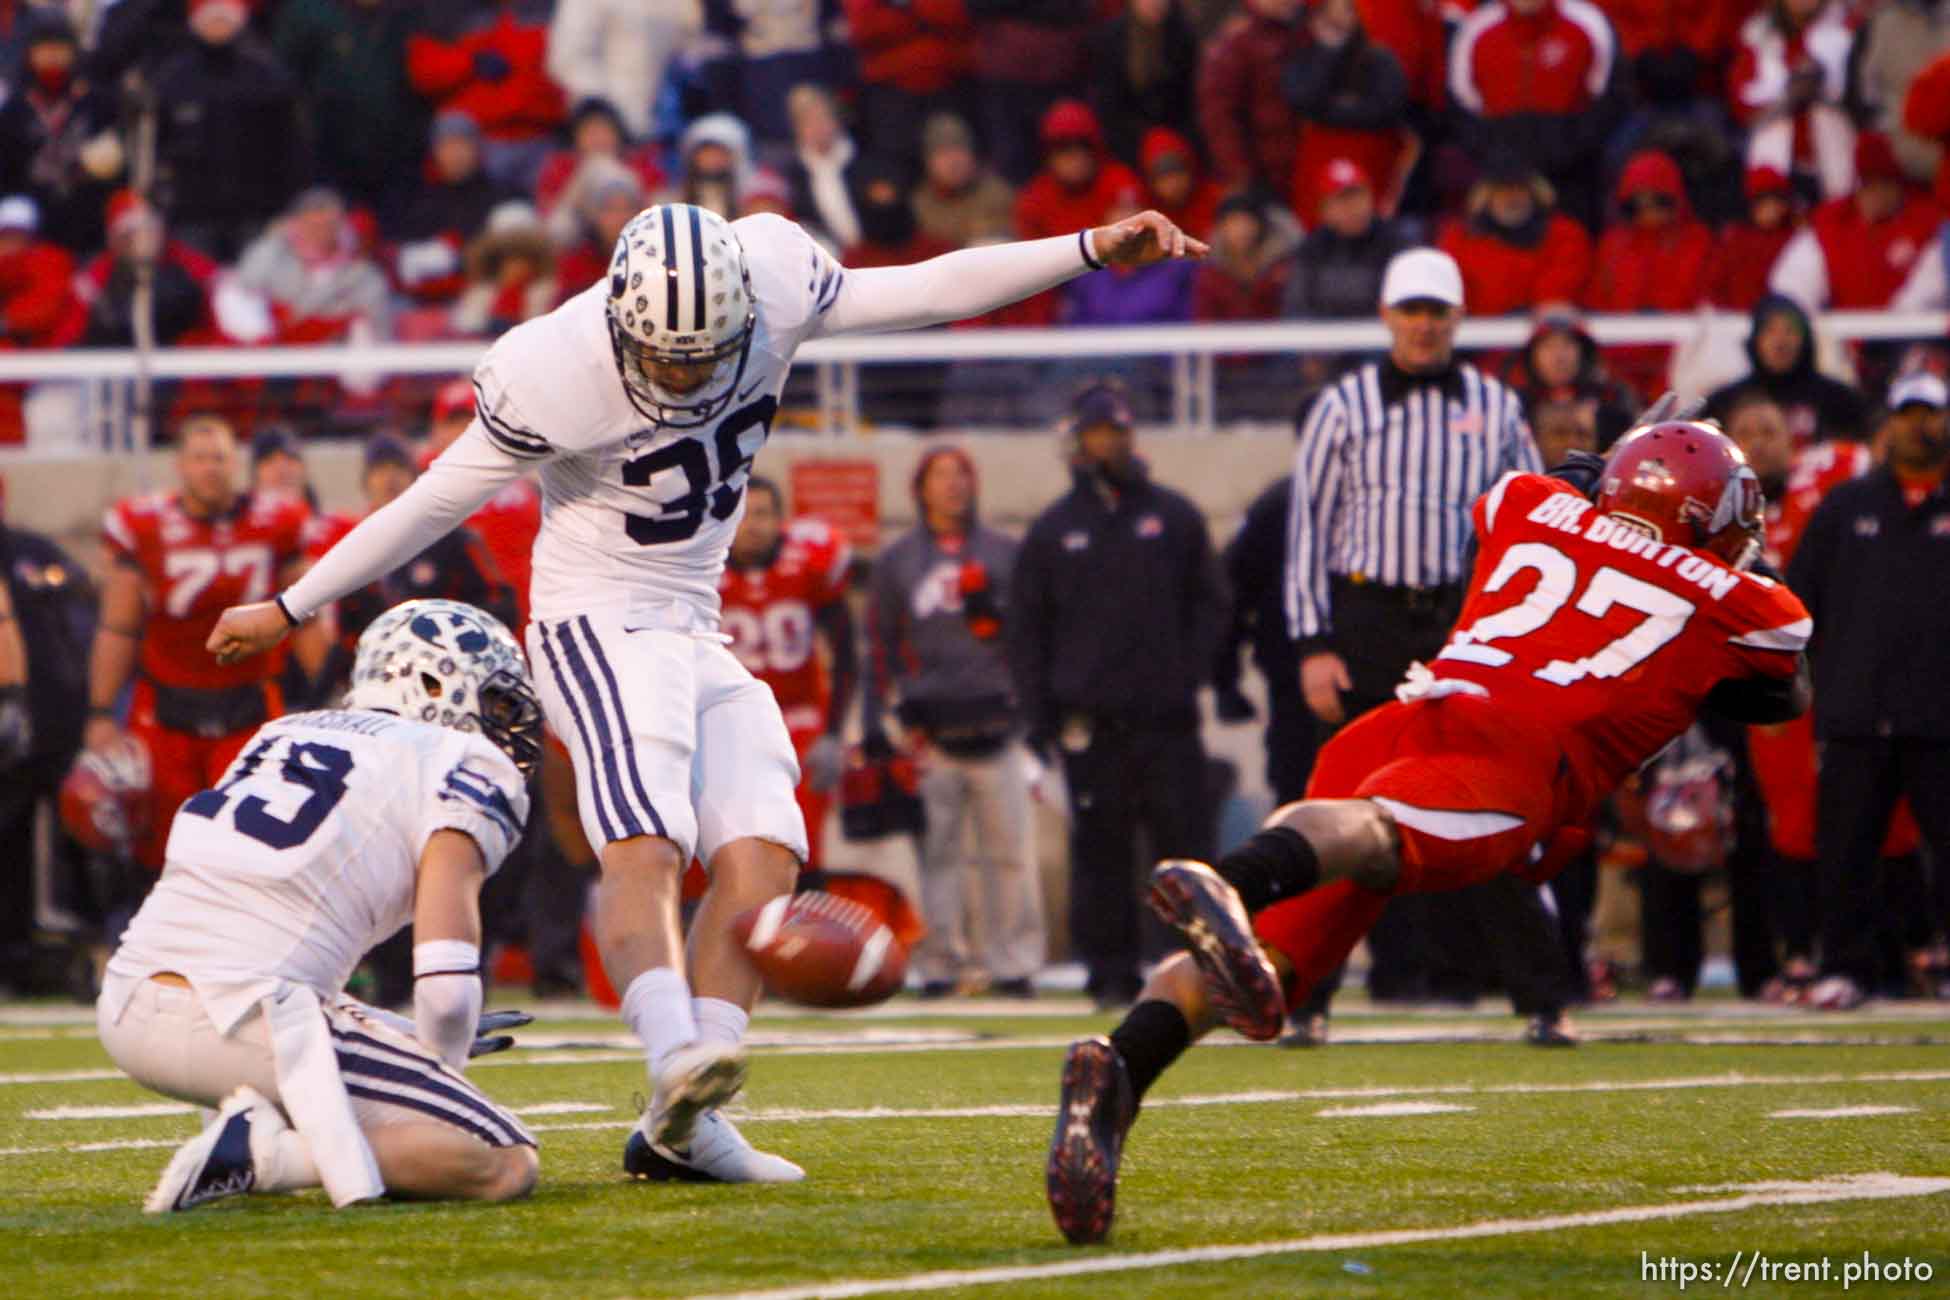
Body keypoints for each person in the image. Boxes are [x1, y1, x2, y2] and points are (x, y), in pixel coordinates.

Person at [207, 200, 1207, 1183]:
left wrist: (1082, 250)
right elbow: (432, 498)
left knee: (765, 840)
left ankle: (682, 1123)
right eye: (666, 356)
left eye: (703, 353)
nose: (684, 373)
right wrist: (293, 605)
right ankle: (671, 1048)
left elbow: (928, 289)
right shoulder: (556, 366)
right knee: (647, 834)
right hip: (594, 617)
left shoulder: (773, 276)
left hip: (693, 618)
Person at [1046, 417, 1813, 1244]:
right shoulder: (1736, 598)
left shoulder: (1529, 502)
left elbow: (1539, 495)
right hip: (1517, 753)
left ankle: (1120, 1067)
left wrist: (1586, 490)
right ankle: (1230, 881)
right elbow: (1784, 690)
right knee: (1380, 842)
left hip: (1412, 710)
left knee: (1270, 972)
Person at [99, 598, 543, 1214]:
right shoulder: (463, 760)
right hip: (253, 1021)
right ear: (435, 682)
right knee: (502, 1160)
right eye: (492, 700)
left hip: (127, 1006)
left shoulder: (280, 732)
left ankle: (250, 1134)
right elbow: (444, 979)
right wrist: (437, 1058)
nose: (502, 723)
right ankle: (273, 1159)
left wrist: (391, 1033)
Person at [1282, 246, 1570, 1040]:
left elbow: (1525, 526)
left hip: (1456, 623)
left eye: (1436, 312)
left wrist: (1512, 639)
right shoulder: (1342, 407)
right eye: (1410, 310)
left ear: (1457, 320)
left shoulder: (1496, 405)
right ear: (1386, 316)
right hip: (1367, 619)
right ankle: (1304, 998)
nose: (1422, 326)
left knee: (1485, 802)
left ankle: (1542, 998)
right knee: (1342, 810)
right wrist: (1313, 643)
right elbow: (1309, 530)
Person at [1009, 379, 1226, 1010]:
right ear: (1078, 442)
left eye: (1120, 431)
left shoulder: (1174, 516)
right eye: (1100, 432)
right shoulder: (1053, 531)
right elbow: (1027, 630)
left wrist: (1187, 674)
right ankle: (1108, 973)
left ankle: (1201, 966)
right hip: (1092, 725)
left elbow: (1210, 606)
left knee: (1185, 852)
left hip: (1166, 721)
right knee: (1100, 854)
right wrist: (1039, 716)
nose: (1111, 443)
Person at [85, 415, 315, 884]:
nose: (211, 468)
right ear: (180, 466)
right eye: (200, 458)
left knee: (252, 849)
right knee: (164, 851)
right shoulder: (142, 523)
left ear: (237, 464)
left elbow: (308, 613)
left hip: (250, 703)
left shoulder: (279, 521)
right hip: (166, 709)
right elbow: (119, 627)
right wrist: (101, 712)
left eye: (221, 458)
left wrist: (324, 689)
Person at [1786, 369, 1950, 1009]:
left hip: (1940, 715)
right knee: (1845, 850)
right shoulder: (1846, 507)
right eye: (1908, 412)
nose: (1920, 425)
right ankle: (1846, 966)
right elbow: (1800, 604)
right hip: (1856, 710)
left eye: (1931, 413)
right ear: (1887, 423)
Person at [864, 446, 1043, 998]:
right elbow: (880, 644)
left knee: (1011, 854)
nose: (953, 486)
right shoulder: (897, 561)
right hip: (930, 731)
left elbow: (1032, 637)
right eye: (941, 476)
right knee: (936, 856)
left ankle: (1013, 962)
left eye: (962, 474)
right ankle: (939, 961)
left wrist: (1032, 711)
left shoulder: (1005, 553)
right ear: (920, 488)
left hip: (999, 723)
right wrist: (881, 720)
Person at [718, 477, 855, 871]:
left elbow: (846, 653)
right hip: (731, 729)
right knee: (732, 852)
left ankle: (797, 932)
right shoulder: (702, 572)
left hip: (799, 723)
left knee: (801, 849)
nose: (753, 524)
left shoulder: (809, 567)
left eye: (763, 513)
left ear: (781, 519)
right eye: (743, 513)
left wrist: (834, 734)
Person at [1700, 293, 1867, 446]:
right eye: (1770, 331)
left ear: (1805, 339)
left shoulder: (1840, 401)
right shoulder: (1724, 404)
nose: (1780, 342)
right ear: (1755, 339)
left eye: (1789, 331)